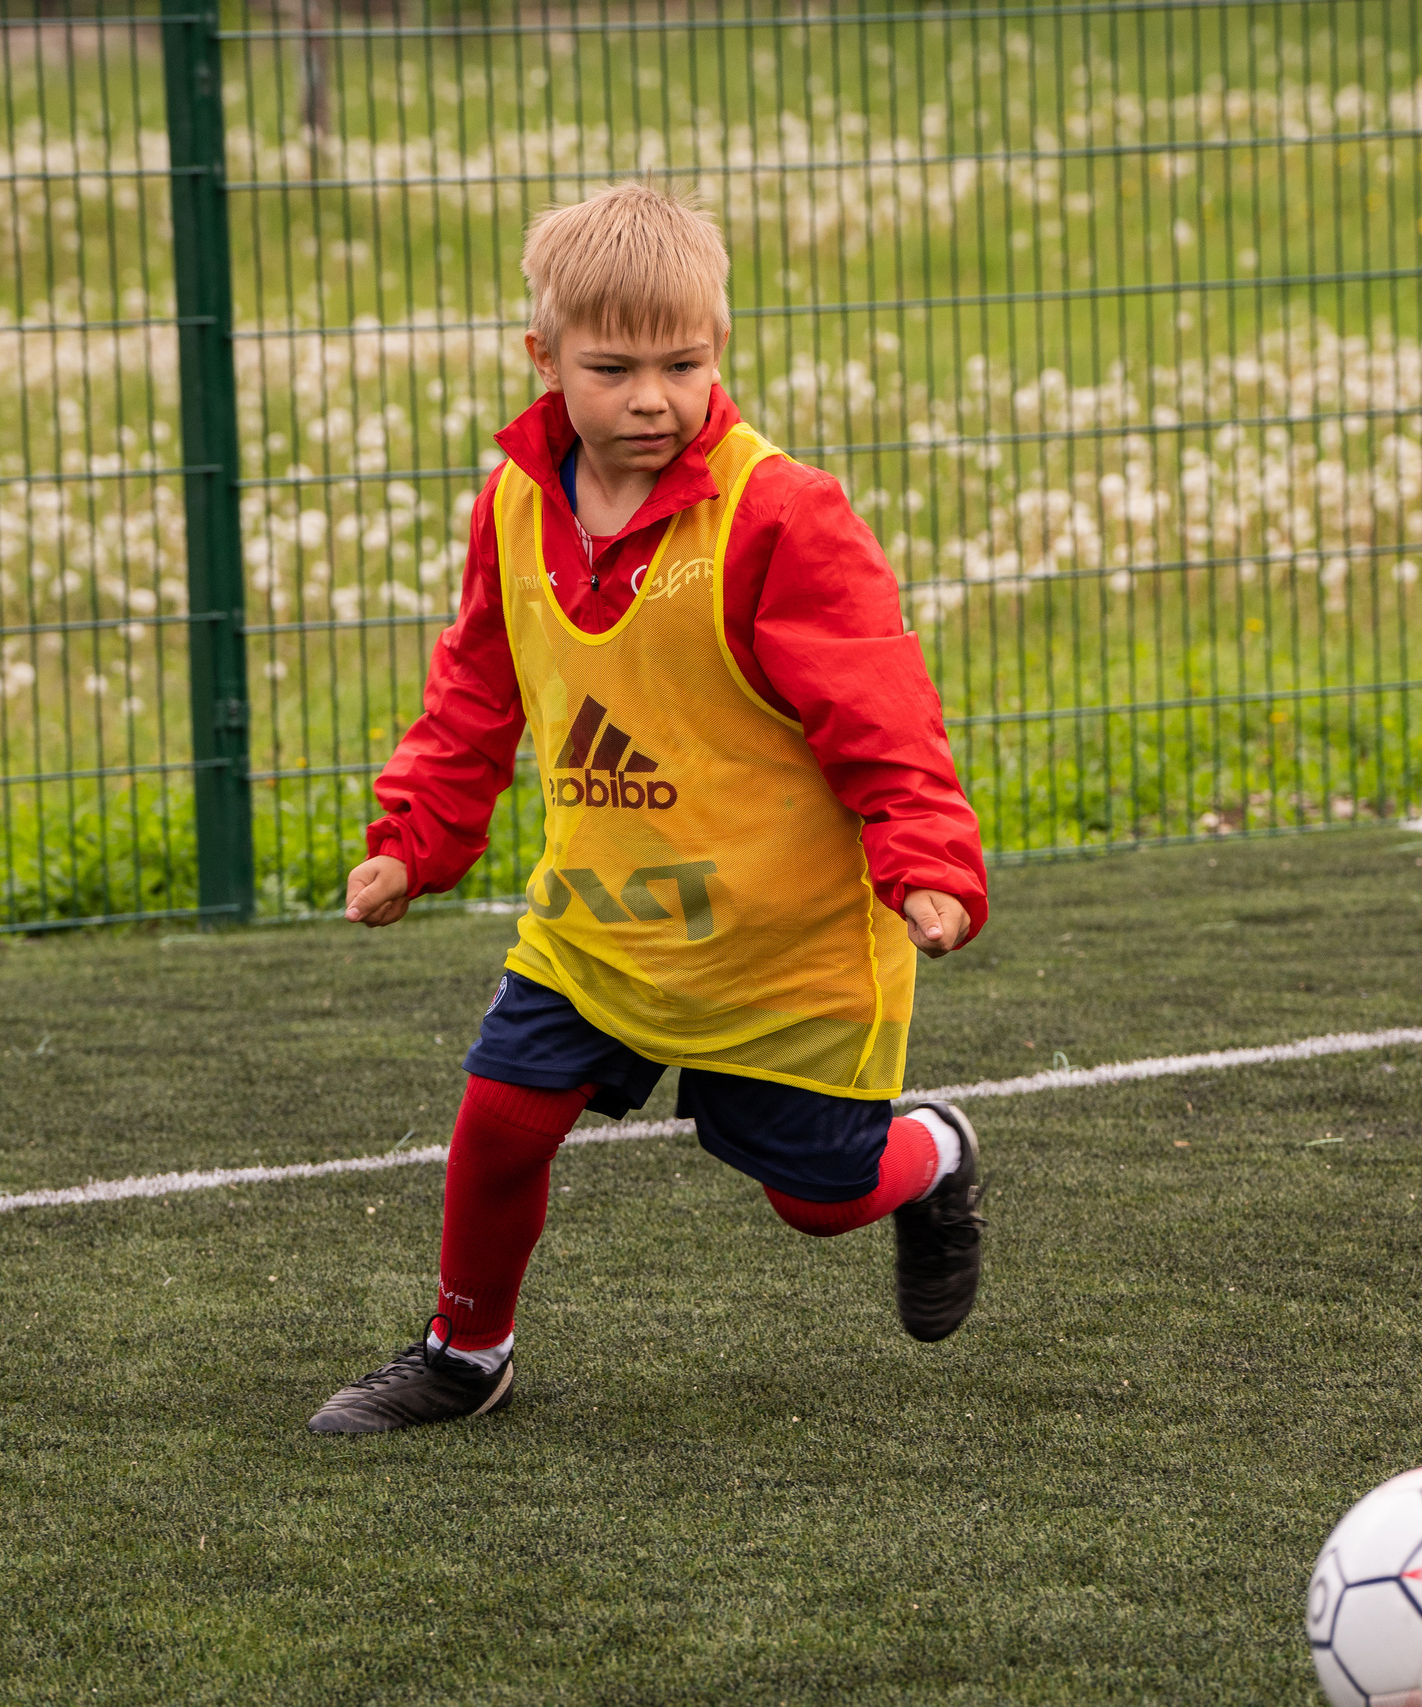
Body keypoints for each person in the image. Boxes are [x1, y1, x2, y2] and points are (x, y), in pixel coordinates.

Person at [306, 182, 991, 1435]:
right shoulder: (515, 504)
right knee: (501, 1121)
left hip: (782, 946)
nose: (651, 399)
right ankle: (466, 1354)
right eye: (612, 369)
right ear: (544, 358)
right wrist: (413, 842)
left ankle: (933, 1153)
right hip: (604, 915)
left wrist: (928, 865)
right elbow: (475, 693)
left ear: (719, 346)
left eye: (682, 364)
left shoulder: (784, 515)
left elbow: (882, 714)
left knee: (818, 1199)